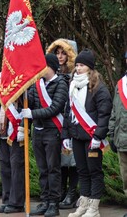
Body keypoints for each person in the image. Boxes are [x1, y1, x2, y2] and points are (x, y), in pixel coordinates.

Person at [62, 49, 112, 217]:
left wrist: (98, 136)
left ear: (90, 68)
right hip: (76, 136)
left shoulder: (99, 88)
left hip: (92, 138)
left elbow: (104, 114)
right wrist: (66, 135)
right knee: (82, 171)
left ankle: (94, 207)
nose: (78, 68)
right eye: (77, 65)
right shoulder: (73, 85)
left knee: (94, 171)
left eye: (82, 65)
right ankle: (83, 205)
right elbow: (68, 112)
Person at [22, 53, 69, 217]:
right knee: (42, 169)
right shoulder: (36, 84)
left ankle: (53, 204)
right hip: (39, 131)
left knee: (53, 169)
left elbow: (55, 108)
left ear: (50, 67)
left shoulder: (61, 83)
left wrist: (32, 113)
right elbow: (32, 103)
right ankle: (45, 200)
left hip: (53, 131)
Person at [47, 38, 79, 209]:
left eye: (63, 53)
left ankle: (72, 194)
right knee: (60, 160)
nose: (60, 57)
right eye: (57, 53)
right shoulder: (53, 73)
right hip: (55, 120)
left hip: (71, 120)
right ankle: (61, 191)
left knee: (71, 159)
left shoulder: (76, 74)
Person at [0, 73, 25, 214]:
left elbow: (27, 103)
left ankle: (16, 202)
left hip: (16, 130)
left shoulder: (23, 78)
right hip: (3, 128)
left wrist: (22, 126)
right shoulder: (1, 79)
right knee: (5, 166)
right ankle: (7, 199)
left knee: (16, 167)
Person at [108, 51, 127, 217]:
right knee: (125, 176)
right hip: (122, 139)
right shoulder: (121, 84)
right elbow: (115, 111)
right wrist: (111, 133)